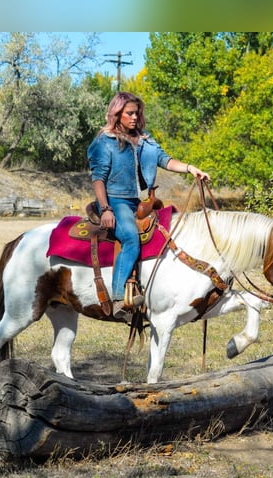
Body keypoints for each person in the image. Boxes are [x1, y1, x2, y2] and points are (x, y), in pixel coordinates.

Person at [87, 91, 210, 320]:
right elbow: (98, 178)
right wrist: (106, 209)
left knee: (170, 230)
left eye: (137, 113)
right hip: (116, 199)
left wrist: (191, 168)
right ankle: (117, 300)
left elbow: (166, 160)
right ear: (117, 114)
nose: (134, 117)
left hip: (141, 201)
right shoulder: (106, 141)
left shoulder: (146, 140)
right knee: (131, 239)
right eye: (129, 113)